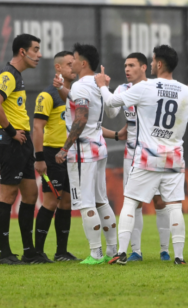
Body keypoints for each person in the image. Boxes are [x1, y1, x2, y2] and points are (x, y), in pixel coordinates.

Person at [97, 45, 188, 265]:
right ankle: (179, 256)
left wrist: (102, 86)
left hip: (147, 155)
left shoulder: (146, 87)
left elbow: (110, 103)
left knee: (130, 202)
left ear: (157, 64)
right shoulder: (186, 91)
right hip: (174, 157)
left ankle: (121, 252)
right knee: (174, 205)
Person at [55, 43, 119, 265]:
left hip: (83, 150)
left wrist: (65, 147)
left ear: (83, 63)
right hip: (99, 147)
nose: (70, 64)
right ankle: (112, 250)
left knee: (85, 202)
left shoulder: (82, 86)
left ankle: (95, 254)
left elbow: (81, 117)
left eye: (73, 60)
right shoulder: (98, 84)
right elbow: (111, 111)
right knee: (101, 200)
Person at [105, 52, 171, 262]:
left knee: (160, 201)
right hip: (131, 154)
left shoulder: (155, 87)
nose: (127, 69)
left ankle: (164, 250)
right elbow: (112, 113)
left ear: (144, 67)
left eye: (132, 65)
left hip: (156, 152)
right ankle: (136, 251)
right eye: (125, 65)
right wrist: (105, 90)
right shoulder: (122, 90)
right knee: (134, 201)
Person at [0, 34, 46, 264]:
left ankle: (29, 251)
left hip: (22, 143)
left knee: (31, 194)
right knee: (8, 195)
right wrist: (12, 131)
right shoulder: (8, 75)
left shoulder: (18, 76)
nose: (39, 54)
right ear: (22, 52)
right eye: (35, 49)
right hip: (11, 141)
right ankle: (4, 253)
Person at [33, 51, 80, 262]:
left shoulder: (75, 95)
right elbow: (37, 127)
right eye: (69, 64)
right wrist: (40, 157)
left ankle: (61, 252)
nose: (74, 67)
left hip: (71, 154)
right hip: (53, 154)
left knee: (67, 202)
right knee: (51, 201)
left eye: (75, 63)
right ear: (58, 68)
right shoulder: (47, 95)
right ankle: (38, 252)